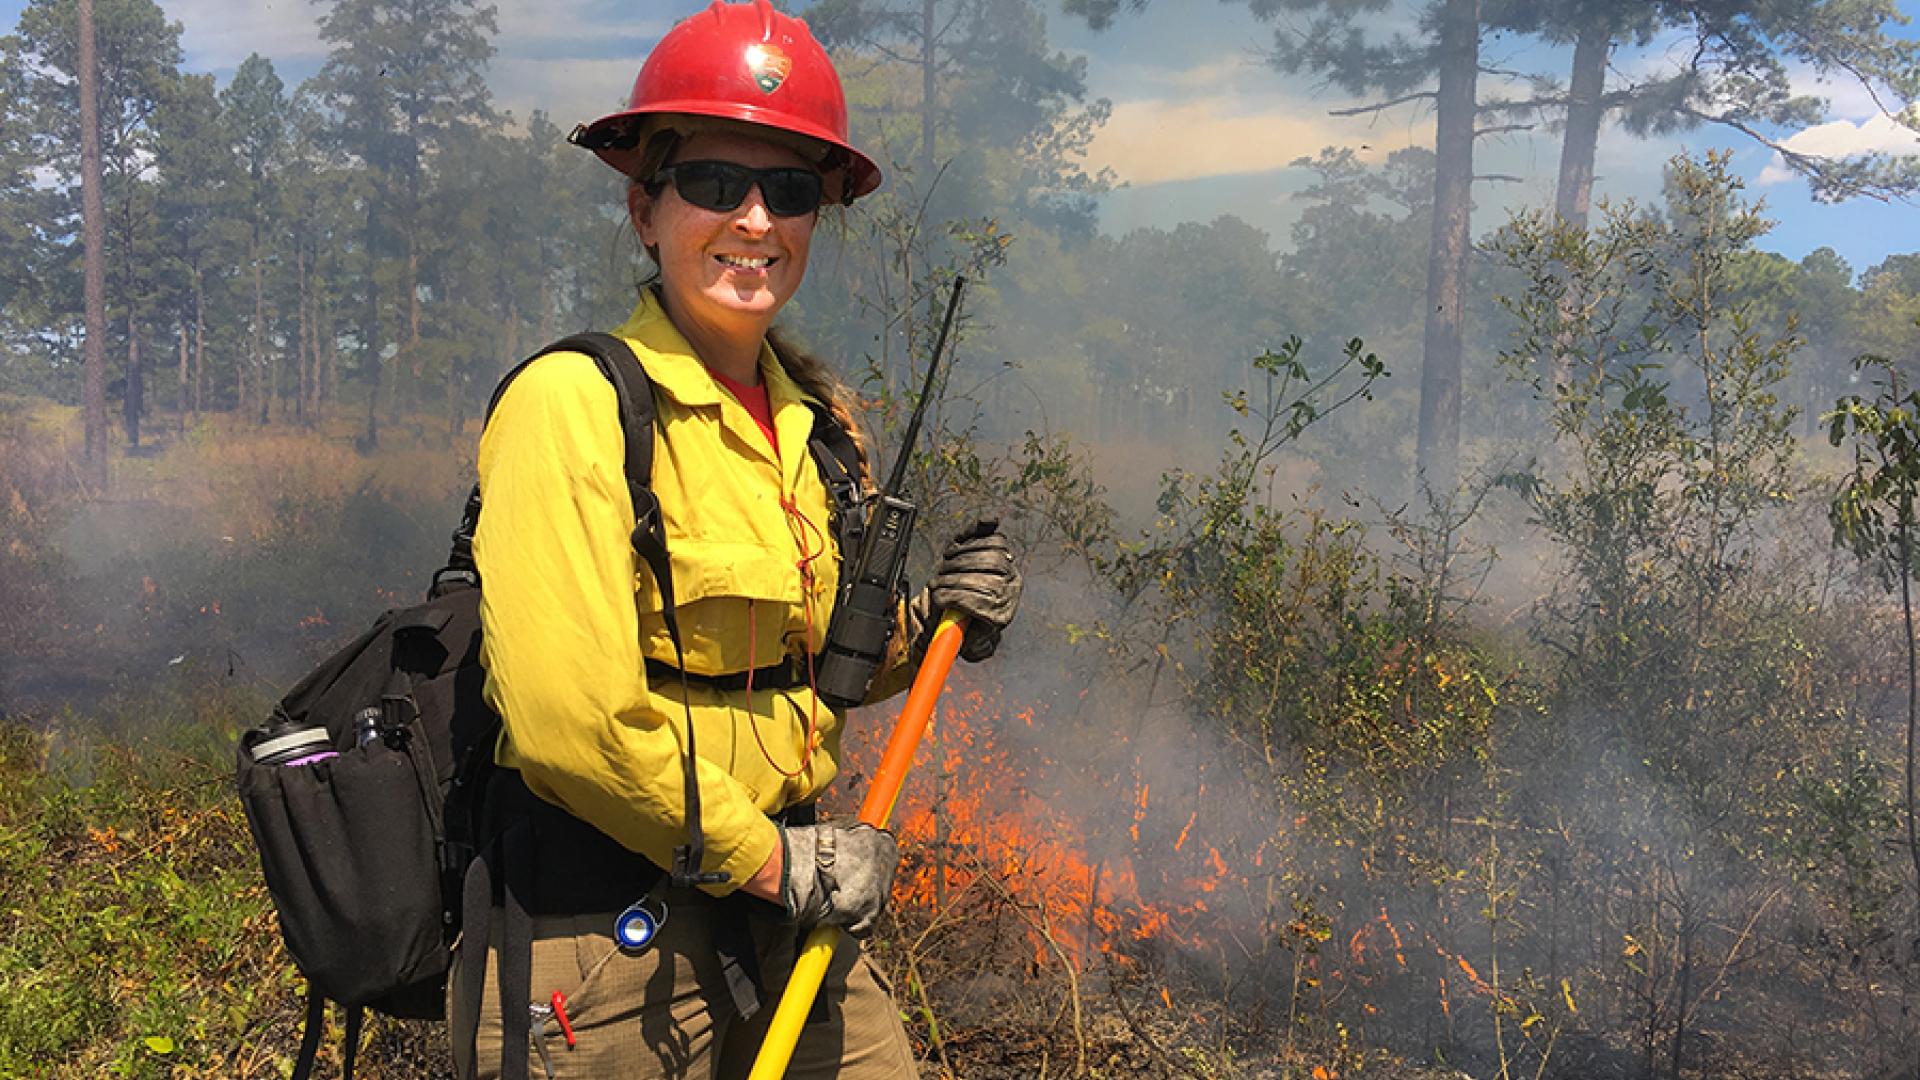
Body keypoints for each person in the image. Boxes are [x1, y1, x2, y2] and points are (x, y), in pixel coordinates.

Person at [447, 1, 1022, 1077]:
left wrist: (943, 625)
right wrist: (773, 864)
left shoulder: (815, 426)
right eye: (716, 183)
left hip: (791, 920)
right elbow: (572, 724)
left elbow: (813, 666)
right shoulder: (574, 403)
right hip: (607, 950)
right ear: (644, 208)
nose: (756, 220)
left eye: (790, 193)